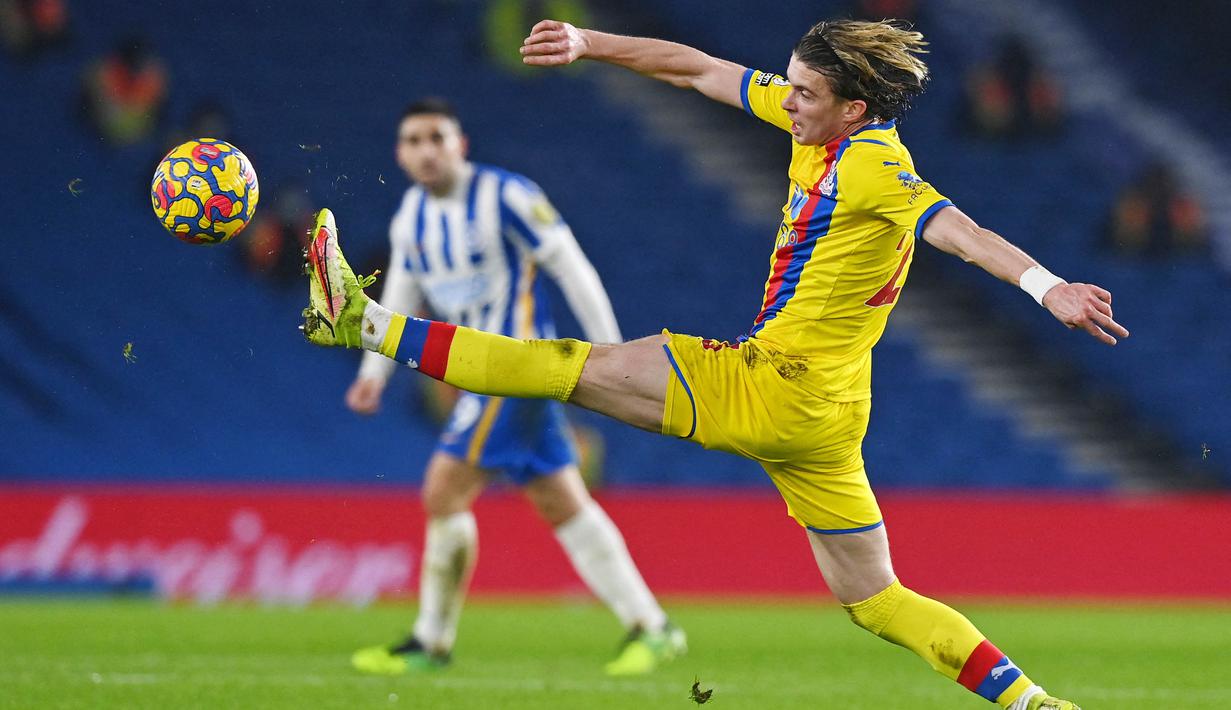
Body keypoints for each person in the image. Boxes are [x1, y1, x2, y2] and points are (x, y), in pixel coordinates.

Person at [303, 19, 1130, 710]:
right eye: (790, 85)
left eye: (805, 94)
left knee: (561, 365)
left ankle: (367, 323)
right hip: (831, 420)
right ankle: (1033, 704)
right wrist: (589, 40)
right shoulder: (818, 124)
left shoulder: (876, 164)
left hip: (773, 383)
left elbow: (957, 230)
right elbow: (697, 69)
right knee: (875, 600)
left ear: (854, 107)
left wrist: (1045, 286)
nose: (789, 100)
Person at [344, 98, 685, 677]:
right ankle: (653, 628)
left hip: (517, 371)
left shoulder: (507, 195)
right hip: (479, 378)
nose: (426, 150)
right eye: (412, 140)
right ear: (400, 153)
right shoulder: (410, 217)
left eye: (437, 137)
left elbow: (571, 266)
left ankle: (431, 641)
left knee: (443, 491)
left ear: (461, 144)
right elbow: (401, 294)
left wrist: (614, 353)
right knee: (562, 501)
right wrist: (372, 374)